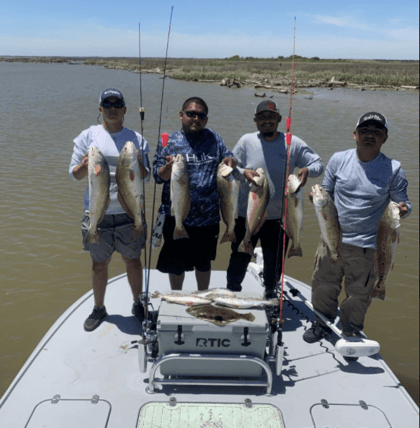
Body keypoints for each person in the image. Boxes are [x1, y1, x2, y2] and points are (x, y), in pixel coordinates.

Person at [303, 112, 411, 343]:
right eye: (364, 131)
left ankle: (351, 331)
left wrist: (403, 209)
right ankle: (322, 324)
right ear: (355, 135)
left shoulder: (393, 169)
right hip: (332, 240)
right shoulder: (338, 160)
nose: (369, 135)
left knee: (359, 295)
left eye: (376, 132)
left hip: (368, 247)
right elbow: (327, 192)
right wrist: (316, 197)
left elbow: (404, 203)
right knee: (322, 286)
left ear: (385, 138)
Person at [69, 89, 150, 332]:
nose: (112, 108)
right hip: (97, 214)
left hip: (129, 214)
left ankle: (137, 304)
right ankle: (99, 308)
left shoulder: (137, 139)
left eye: (118, 104)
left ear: (125, 109)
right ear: (100, 109)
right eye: (107, 103)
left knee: (133, 261)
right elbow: (74, 174)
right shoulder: (87, 136)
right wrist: (84, 165)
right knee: (99, 264)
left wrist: (138, 162)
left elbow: (145, 178)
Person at [226, 100, 324, 298]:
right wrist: (243, 171)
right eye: (262, 117)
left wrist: (306, 170)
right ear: (255, 121)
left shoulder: (292, 142)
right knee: (239, 256)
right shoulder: (246, 141)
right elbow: (230, 166)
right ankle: (232, 292)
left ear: (279, 119)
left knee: (275, 261)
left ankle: (270, 293)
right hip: (248, 214)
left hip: (280, 218)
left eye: (271, 117)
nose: (267, 121)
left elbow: (318, 164)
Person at [153, 97, 236, 291]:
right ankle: (177, 298)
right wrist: (168, 167)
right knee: (176, 265)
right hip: (176, 216)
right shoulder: (168, 140)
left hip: (208, 217)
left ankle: (202, 297)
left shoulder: (214, 137)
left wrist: (231, 161)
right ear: (181, 115)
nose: (195, 118)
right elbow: (158, 177)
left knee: (204, 263)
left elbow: (229, 156)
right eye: (191, 114)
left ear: (206, 119)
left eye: (201, 115)